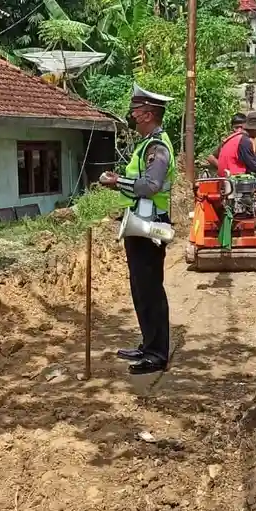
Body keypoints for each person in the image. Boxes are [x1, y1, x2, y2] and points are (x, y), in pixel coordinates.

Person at [98, 84, 177, 375]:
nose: (131, 115)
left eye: (135, 111)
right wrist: (121, 182)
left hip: (150, 227)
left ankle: (157, 355)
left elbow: (151, 185)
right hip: (140, 225)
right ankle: (148, 344)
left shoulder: (157, 147)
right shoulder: (147, 145)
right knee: (141, 289)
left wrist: (117, 182)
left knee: (150, 289)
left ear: (147, 114)